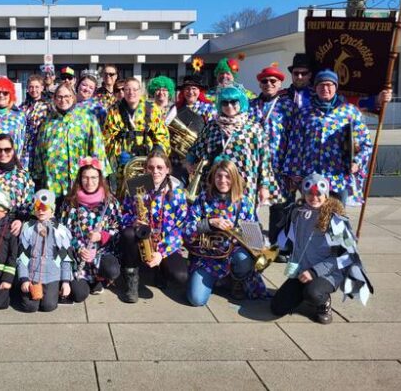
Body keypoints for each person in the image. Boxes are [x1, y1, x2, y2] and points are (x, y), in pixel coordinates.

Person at [272, 173, 373, 324]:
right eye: (310, 193)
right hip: (302, 272)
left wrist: (314, 272)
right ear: (304, 193)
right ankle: (304, 293)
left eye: (319, 194)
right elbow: (292, 243)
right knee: (277, 307)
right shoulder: (297, 214)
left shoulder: (335, 220)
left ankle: (323, 303)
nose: (314, 197)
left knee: (313, 293)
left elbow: (344, 257)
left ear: (326, 195)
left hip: (327, 274)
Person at [182, 159, 268, 306]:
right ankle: (218, 279)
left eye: (227, 177)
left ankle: (236, 280)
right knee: (196, 300)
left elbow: (255, 240)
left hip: (232, 255)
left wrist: (239, 236)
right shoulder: (203, 198)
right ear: (213, 178)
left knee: (244, 259)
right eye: (219, 176)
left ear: (234, 179)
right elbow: (186, 230)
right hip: (206, 258)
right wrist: (209, 223)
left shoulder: (244, 202)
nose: (222, 181)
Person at [283, 70, 372, 206]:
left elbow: (366, 143)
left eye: (329, 85)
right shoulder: (305, 113)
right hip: (311, 176)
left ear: (335, 87)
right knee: (311, 218)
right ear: (315, 88)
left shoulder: (349, 112)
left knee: (336, 218)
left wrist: (357, 162)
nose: (325, 88)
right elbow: (295, 144)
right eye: (321, 85)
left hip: (338, 176)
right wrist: (293, 171)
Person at [119, 148, 189, 303]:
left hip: (164, 242)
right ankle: (132, 278)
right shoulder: (137, 186)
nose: (155, 171)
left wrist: (161, 253)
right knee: (128, 234)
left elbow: (180, 229)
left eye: (160, 168)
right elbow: (123, 214)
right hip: (141, 238)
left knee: (181, 277)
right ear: (145, 169)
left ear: (168, 170)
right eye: (150, 168)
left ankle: (161, 270)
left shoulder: (178, 193)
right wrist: (133, 221)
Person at [187, 86, 274, 205]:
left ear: (241, 102)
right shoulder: (212, 126)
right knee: (215, 219)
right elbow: (196, 148)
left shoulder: (254, 128)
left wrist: (264, 186)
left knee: (242, 219)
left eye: (234, 102)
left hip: (244, 184)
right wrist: (189, 163)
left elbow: (265, 159)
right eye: (225, 103)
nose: (229, 106)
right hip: (215, 183)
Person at [34, 83, 110, 210]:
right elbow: (39, 151)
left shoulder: (87, 118)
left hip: (79, 180)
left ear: (74, 97)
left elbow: (97, 148)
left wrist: (99, 173)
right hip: (54, 181)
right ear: (54, 99)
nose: (63, 100)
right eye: (59, 97)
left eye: (67, 96)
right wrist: (37, 175)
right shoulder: (48, 122)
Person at [249, 65, 296, 259]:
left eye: (273, 81)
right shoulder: (250, 105)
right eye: (265, 81)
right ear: (259, 83)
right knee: (250, 206)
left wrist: (292, 168)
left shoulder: (288, 106)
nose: (268, 84)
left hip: (279, 166)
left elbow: (295, 138)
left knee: (280, 208)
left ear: (280, 83)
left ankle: (277, 247)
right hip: (253, 166)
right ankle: (251, 245)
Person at [61, 157, 121, 298]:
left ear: (100, 178)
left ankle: (99, 278)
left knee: (112, 270)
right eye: (85, 178)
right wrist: (78, 248)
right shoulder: (70, 202)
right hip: (78, 255)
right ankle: (88, 281)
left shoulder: (110, 201)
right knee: (79, 295)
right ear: (80, 179)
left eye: (94, 178)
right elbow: (63, 231)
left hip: (101, 252)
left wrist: (102, 236)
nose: (89, 182)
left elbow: (118, 227)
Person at [18, 190, 74, 312]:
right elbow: (22, 257)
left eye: (45, 207)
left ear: (52, 210)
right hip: (32, 276)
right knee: (29, 307)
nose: (41, 211)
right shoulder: (28, 228)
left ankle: (53, 292)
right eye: (38, 207)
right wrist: (24, 279)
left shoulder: (60, 231)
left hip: (51, 276)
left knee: (48, 306)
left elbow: (65, 258)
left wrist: (65, 281)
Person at [104, 77, 171, 171]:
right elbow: (107, 137)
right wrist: (117, 154)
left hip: (148, 164)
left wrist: (157, 152)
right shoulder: (113, 111)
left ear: (140, 91)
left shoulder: (153, 109)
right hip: (122, 165)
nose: (131, 92)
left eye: (135, 89)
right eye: (127, 89)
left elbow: (163, 136)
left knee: (145, 186)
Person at [21, 74, 51, 175]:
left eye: (37, 87)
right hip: (25, 147)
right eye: (31, 87)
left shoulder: (48, 106)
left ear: (42, 88)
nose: (34, 90)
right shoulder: (23, 106)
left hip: (40, 145)